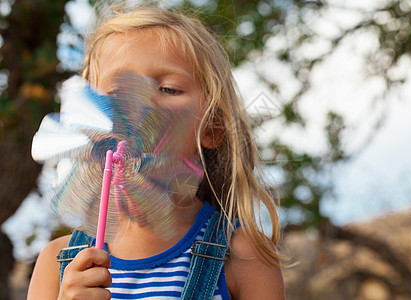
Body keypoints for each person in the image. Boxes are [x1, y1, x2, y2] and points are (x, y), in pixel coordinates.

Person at [28, 1, 285, 299]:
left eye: (168, 89)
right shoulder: (57, 262)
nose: (140, 105)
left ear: (212, 128)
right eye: (116, 91)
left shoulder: (243, 256)